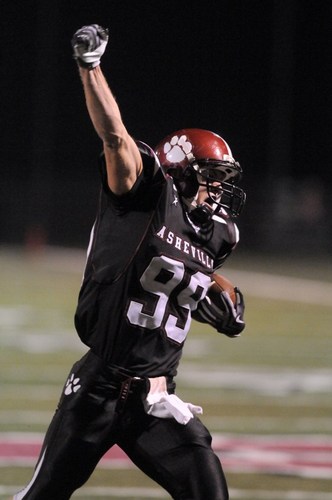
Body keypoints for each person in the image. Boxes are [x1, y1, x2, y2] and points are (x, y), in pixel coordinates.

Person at [14, 24, 246, 500]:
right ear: (180, 172)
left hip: (156, 400)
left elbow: (193, 267)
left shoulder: (219, 234)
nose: (219, 190)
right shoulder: (145, 197)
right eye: (211, 177)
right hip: (97, 390)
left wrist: (225, 292)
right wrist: (91, 68)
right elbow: (116, 139)